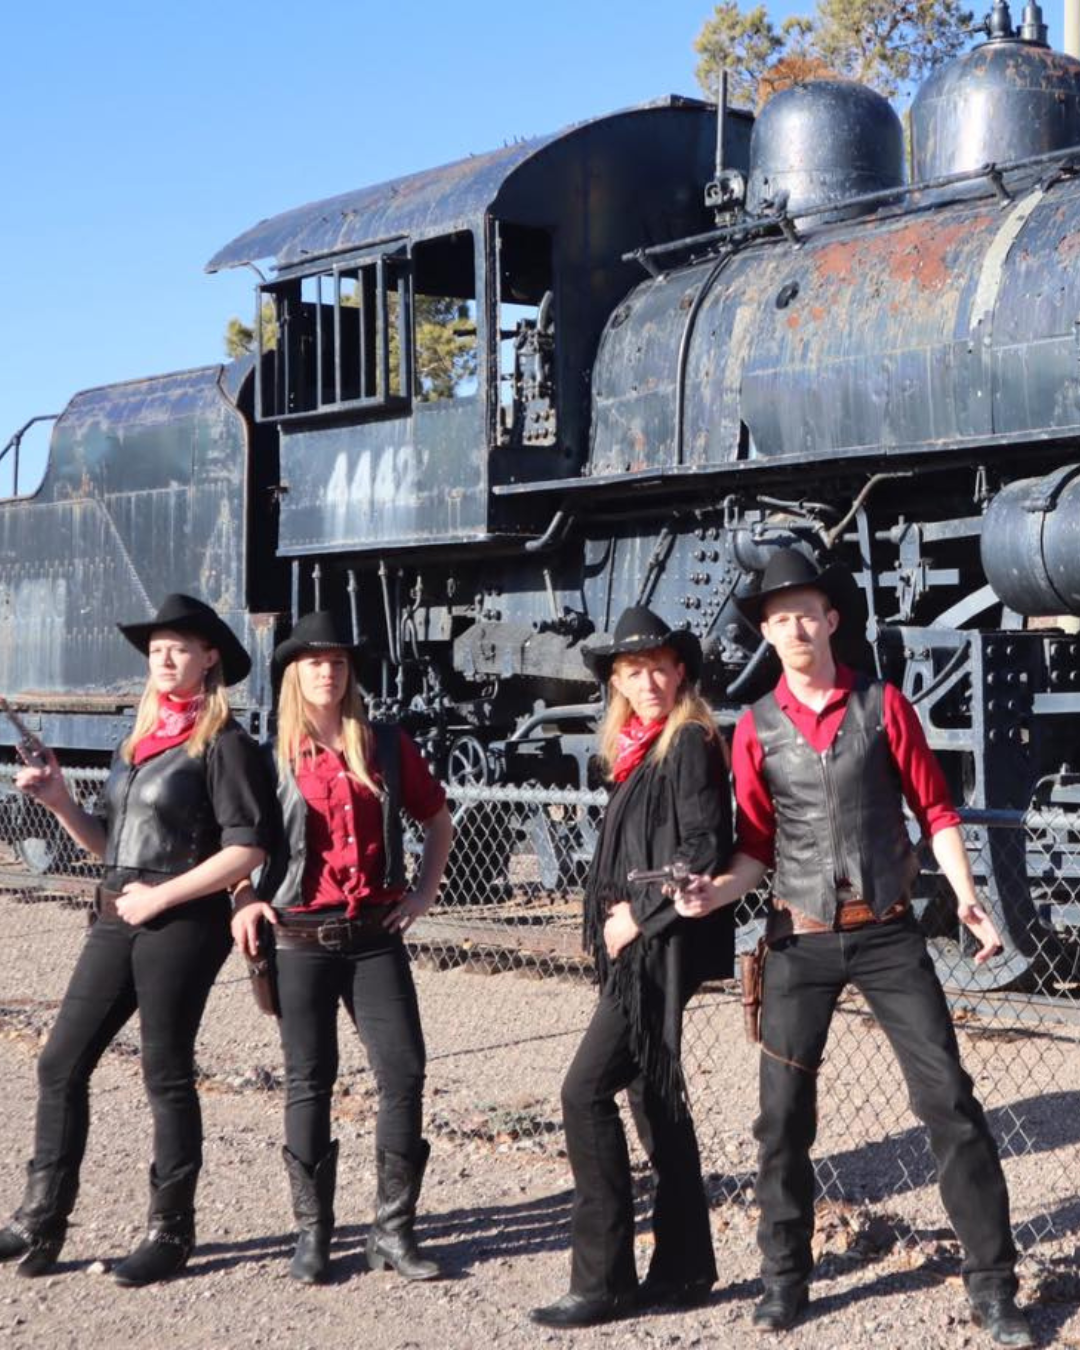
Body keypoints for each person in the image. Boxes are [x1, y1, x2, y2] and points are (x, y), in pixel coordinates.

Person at [675, 550, 1033, 1348]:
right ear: (766, 635)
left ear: (832, 619)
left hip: (887, 935)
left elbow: (936, 811)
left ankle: (994, 1286)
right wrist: (711, 894)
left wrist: (968, 899)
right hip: (798, 942)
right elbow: (756, 850)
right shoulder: (756, 730)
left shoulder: (884, 705)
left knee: (949, 1102)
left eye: (805, 612)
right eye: (778, 618)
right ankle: (783, 1279)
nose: (794, 627)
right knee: (781, 1119)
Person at [0, 593, 275, 1286]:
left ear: (210, 659)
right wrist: (59, 801)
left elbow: (246, 851)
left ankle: (170, 1231)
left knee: (165, 1072)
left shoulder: (226, 745)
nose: (164, 656)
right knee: (60, 1062)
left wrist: (163, 895)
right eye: (156, 647)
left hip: (182, 922)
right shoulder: (136, 742)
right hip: (119, 910)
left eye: (179, 646)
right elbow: (112, 846)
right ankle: (40, 1218)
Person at [230, 611, 453, 1286]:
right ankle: (313, 1235)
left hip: (373, 937)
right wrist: (242, 894)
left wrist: (421, 894)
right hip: (298, 937)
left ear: (349, 672)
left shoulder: (384, 744)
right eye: (313, 661)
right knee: (309, 1080)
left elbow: (437, 820)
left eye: (337, 661)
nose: (327, 670)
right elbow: (234, 839)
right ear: (294, 673)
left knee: (404, 1070)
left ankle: (392, 1231)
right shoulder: (267, 756)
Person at [530, 606, 734, 1329]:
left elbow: (705, 849)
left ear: (681, 672)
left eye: (659, 667)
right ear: (617, 682)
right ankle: (685, 1269)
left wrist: (637, 917)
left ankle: (602, 1278)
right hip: (637, 952)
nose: (647, 680)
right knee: (655, 1103)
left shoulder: (688, 743)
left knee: (583, 1092)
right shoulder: (638, 748)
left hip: (653, 949)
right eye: (632, 671)